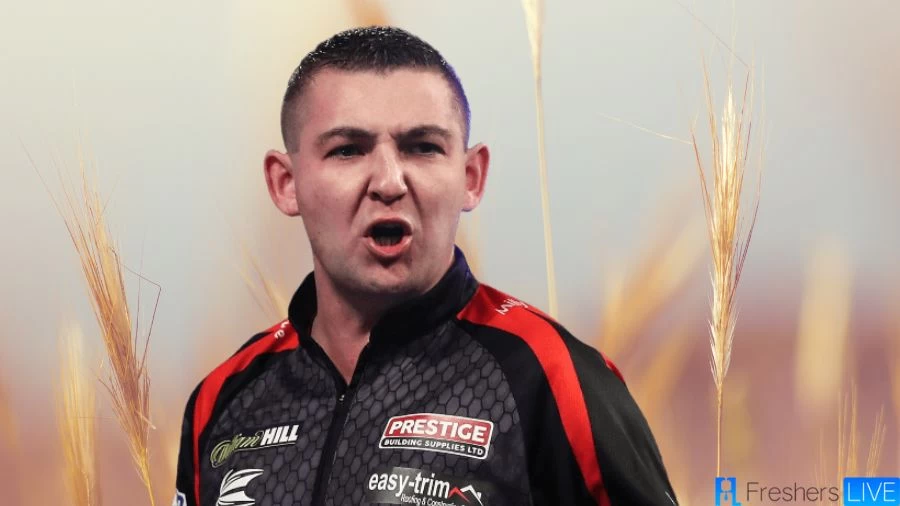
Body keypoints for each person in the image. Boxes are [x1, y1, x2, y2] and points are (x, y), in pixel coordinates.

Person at [174, 26, 677, 506]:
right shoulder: (223, 399)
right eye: (347, 150)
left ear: (471, 177)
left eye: (422, 148)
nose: (389, 181)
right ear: (286, 184)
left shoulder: (551, 376)